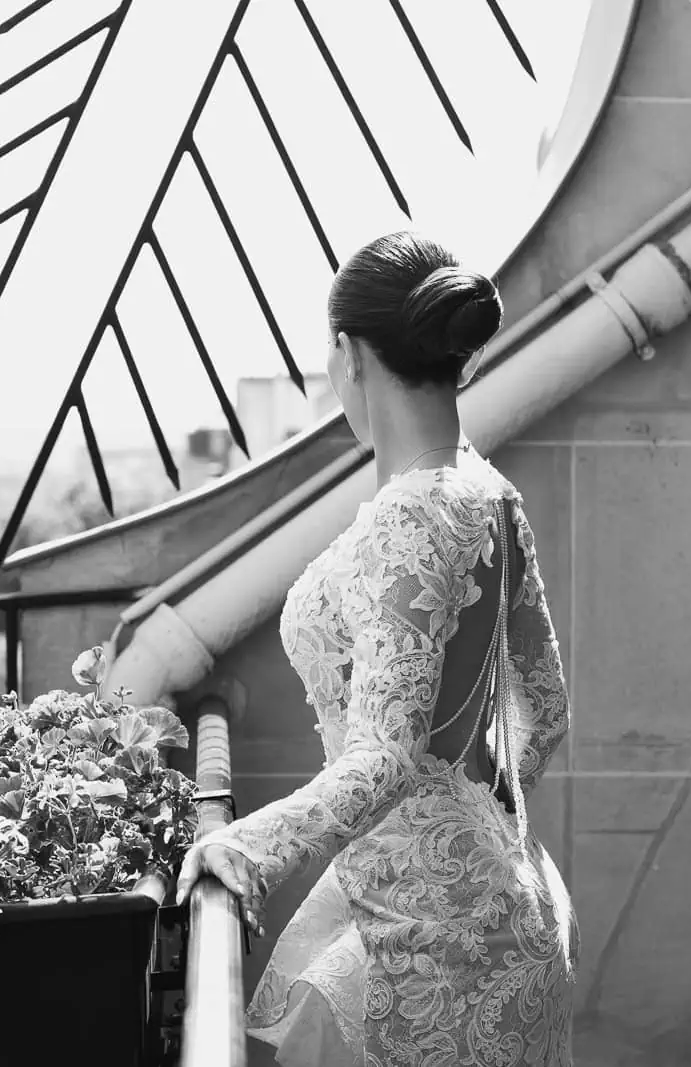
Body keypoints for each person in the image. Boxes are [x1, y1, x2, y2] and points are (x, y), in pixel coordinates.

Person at [176, 231, 578, 1066]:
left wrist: (246, 843)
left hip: (435, 942)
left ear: (349, 354)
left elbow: (386, 758)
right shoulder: (491, 494)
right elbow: (545, 712)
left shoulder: (412, 514)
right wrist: (468, 815)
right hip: (506, 898)